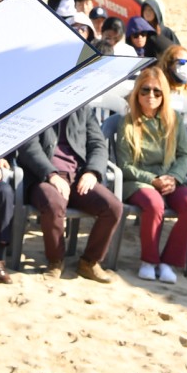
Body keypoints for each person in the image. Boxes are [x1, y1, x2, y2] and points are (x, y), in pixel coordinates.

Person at [16, 106, 122, 282]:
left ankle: (89, 262)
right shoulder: (35, 108)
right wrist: (51, 174)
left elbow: (98, 144)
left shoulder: (83, 109)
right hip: (43, 177)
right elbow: (28, 147)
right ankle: (55, 261)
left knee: (113, 207)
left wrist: (92, 172)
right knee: (53, 204)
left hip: (78, 176)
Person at [116, 67, 187, 283]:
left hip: (169, 178)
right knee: (154, 204)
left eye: (157, 91)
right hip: (138, 181)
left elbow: (183, 155)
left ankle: (168, 262)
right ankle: (149, 261)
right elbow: (124, 165)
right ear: (137, 93)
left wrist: (174, 177)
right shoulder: (127, 122)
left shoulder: (174, 120)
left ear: (164, 94)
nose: (150, 96)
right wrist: (152, 180)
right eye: (145, 90)